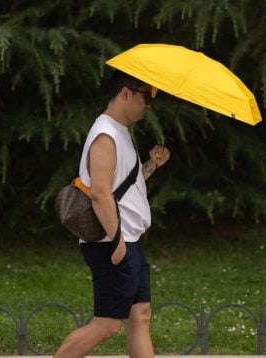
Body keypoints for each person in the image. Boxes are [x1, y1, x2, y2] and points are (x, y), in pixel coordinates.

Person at [54, 71, 170, 358]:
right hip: (112, 243)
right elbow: (100, 193)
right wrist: (118, 242)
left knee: (140, 315)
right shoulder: (105, 134)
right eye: (145, 97)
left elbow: (124, 187)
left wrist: (151, 166)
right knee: (106, 325)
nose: (148, 105)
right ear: (125, 93)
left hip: (127, 240)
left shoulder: (120, 132)